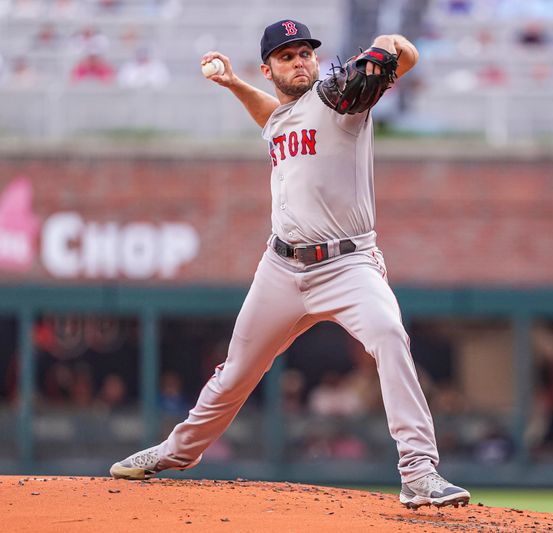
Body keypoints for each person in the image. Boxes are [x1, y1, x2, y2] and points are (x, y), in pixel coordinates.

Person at [109, 19, 470, 510]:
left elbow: (403, 55)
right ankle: (175, 453)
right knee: (235, 373)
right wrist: (235, 84)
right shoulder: (284, 115)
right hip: (280, 269)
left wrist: (386, 48)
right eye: (288, 56)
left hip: (348, 265)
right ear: (269, 68)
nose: (301, 61)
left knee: (388, 335)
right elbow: (273, 116)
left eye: (306, 53)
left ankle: (419, 472)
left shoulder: (342, 100)